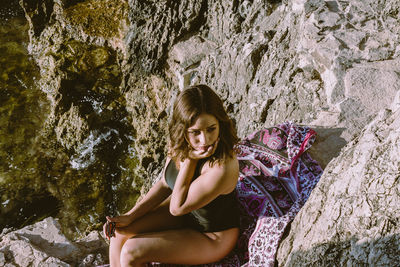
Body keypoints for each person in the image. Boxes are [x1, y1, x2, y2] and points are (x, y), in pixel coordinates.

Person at [104, 84, 240, 266]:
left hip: (212, 236)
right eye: (195, 132)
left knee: (131, 251)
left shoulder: (222, 167)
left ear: (220, 124)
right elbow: (165, 183)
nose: (205, 140)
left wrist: (190, 161)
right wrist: (130, 215)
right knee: (118, 232)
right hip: (187, 218)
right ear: (183, 130)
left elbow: (177, 207)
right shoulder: (179, 144)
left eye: (211, 129)